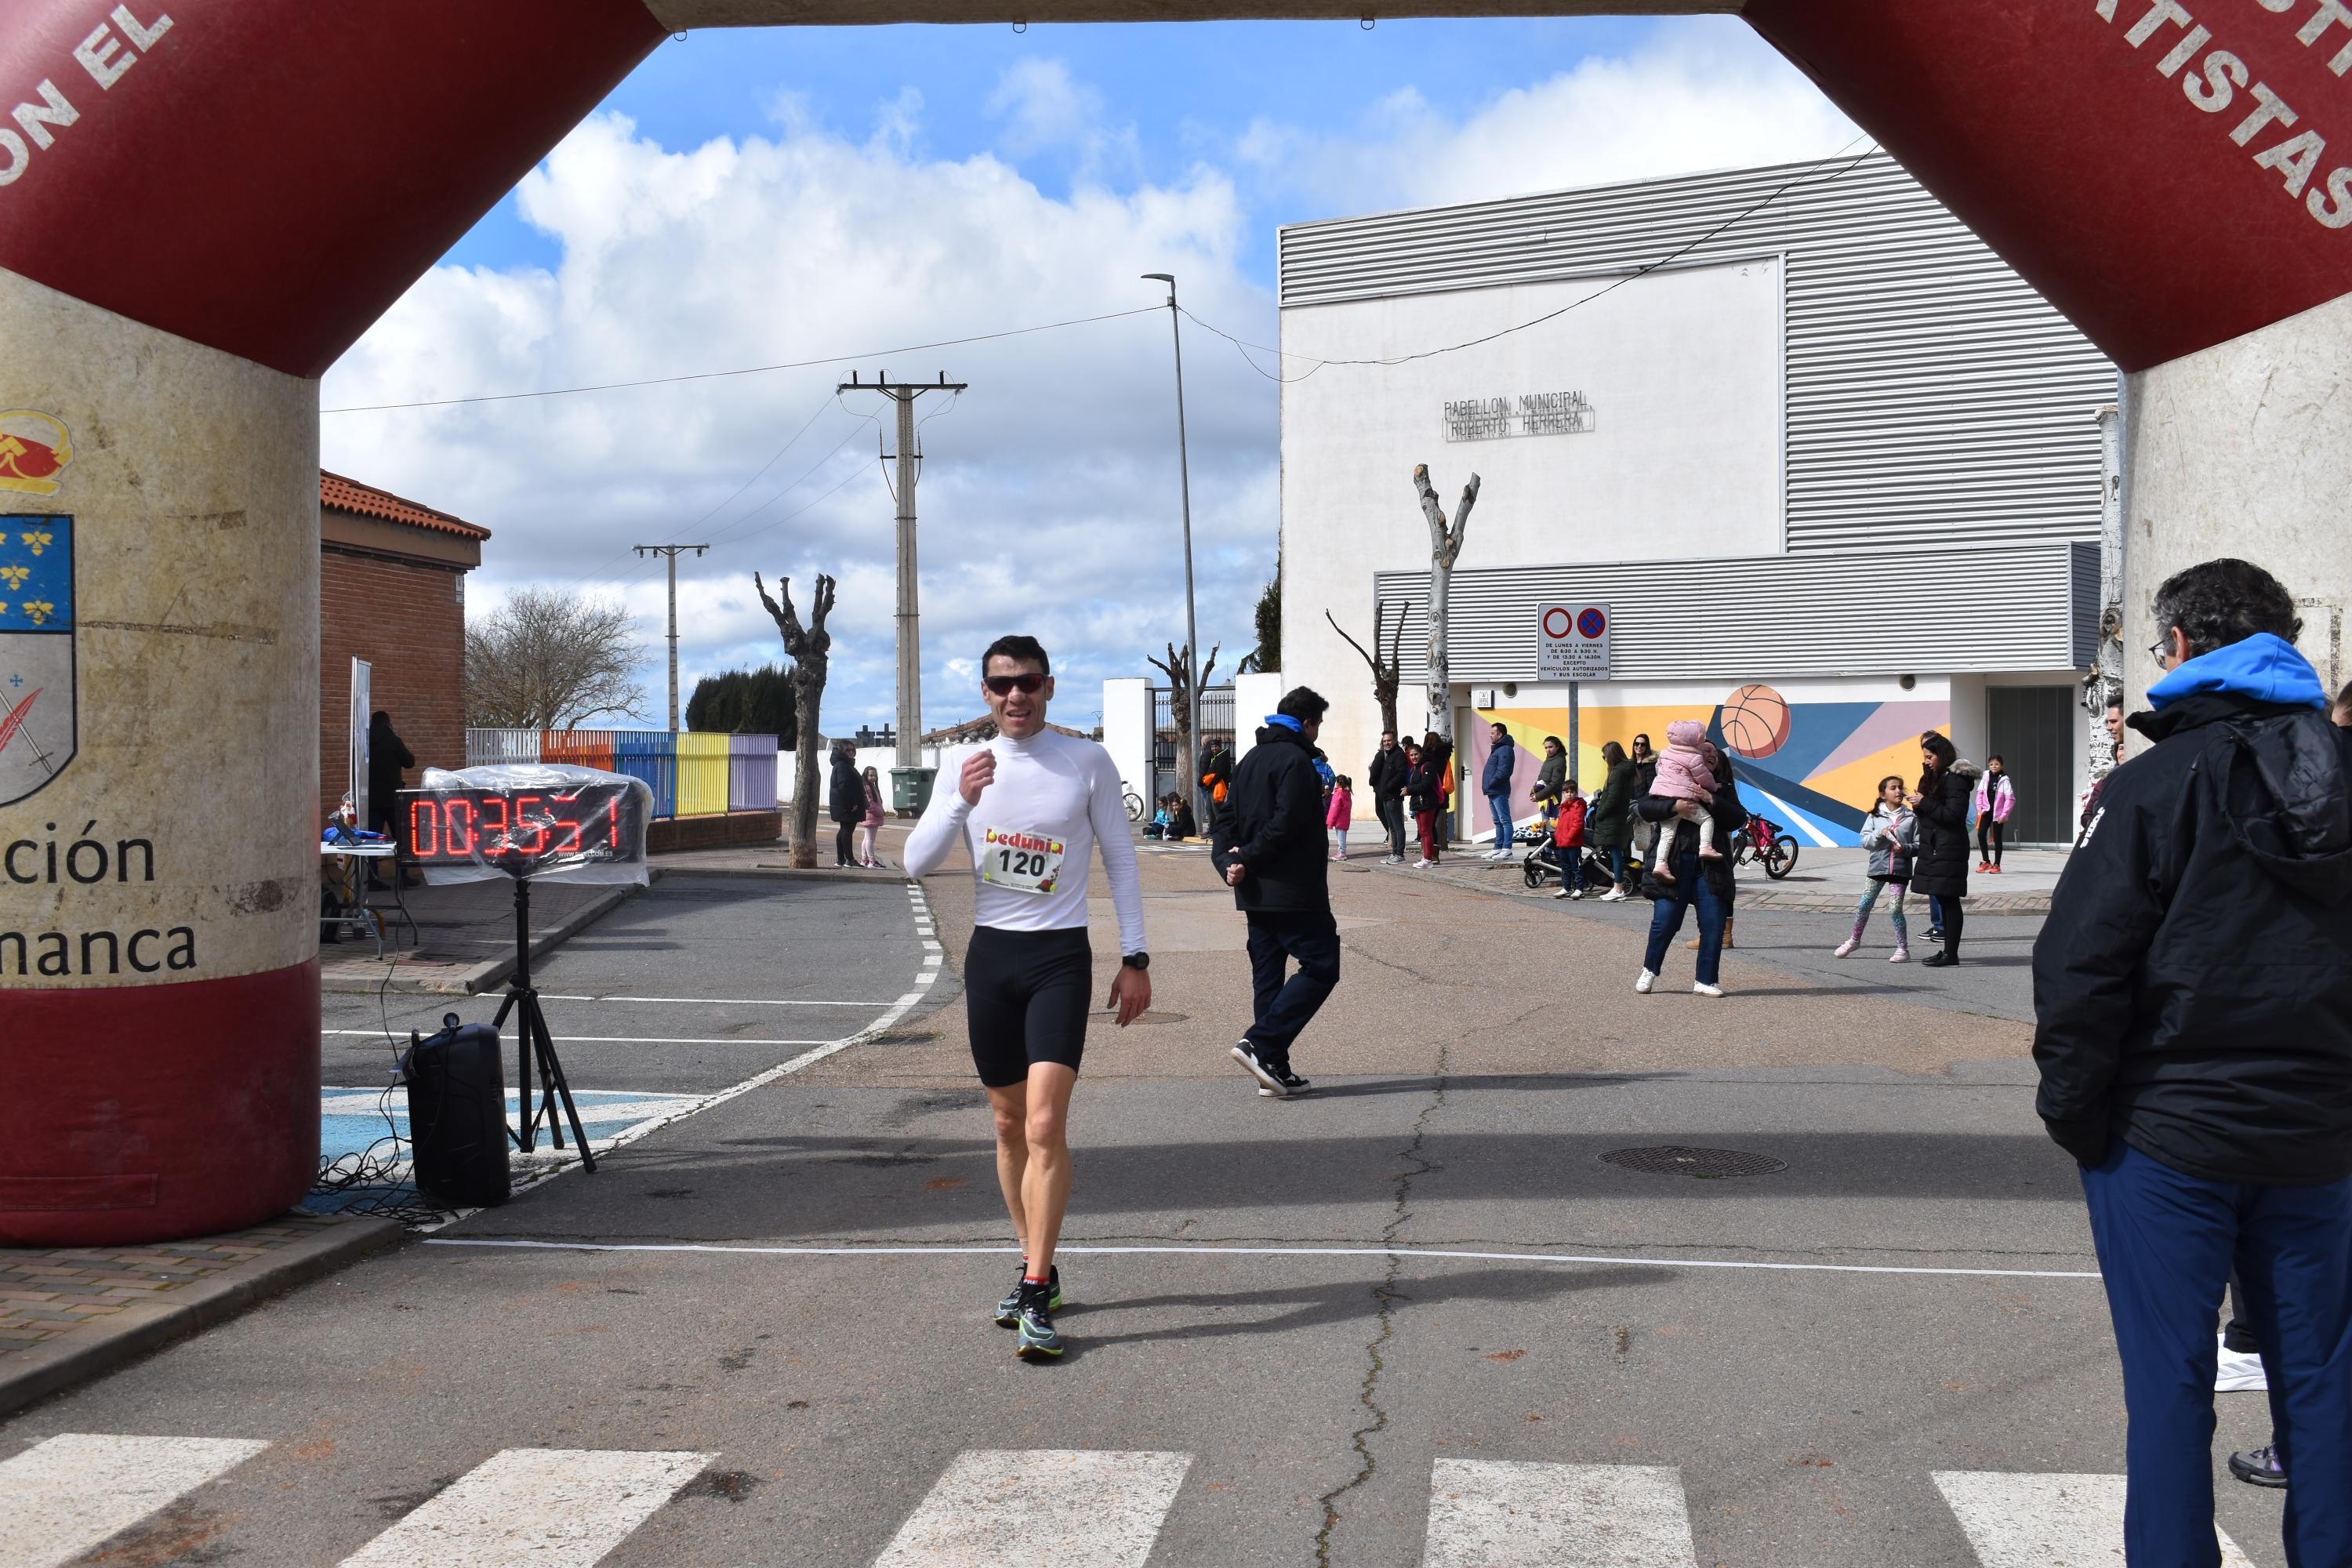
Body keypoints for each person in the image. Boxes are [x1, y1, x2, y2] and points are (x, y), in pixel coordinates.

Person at [2031, 557, 2352, 1564]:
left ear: (2178, 647)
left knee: (2169, 1386)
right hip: (2320, 1134)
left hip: (2168, 1133)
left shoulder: (2152, 784)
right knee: (2325, 1382)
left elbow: (2080, 967)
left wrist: (2082, 1117)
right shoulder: (2344, 777)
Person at [902, 635, 1150, 1360]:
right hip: (992, 959)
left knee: (1045, 1123)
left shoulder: (1086, 762)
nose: (1017, 696)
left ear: (1049, 688)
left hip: (1058, 959)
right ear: (985, 693)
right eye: (1002, 685)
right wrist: (960, 802)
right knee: (1008, 1125)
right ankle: (1031, 1258)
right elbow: (915, 863)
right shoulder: (964, 765)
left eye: (1030, 683)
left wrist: (1135, 957)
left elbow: (1122, 861)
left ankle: (1037, 1288)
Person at [1213, 687, 1339, 1099]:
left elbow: (1224, 819)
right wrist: (1246, 858)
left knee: (1268, 976)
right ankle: (1262, 1045)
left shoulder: (1250, 758)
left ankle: (1273, 1068)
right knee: (1322, 965)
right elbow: (1288, 823)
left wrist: (1230, 862)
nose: (1317, 734)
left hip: (1254, 890)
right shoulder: (1297, 761)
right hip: (1293, 889)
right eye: (1316, 725)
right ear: (1306, 724)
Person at [1634, 748, 1744, 996]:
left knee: (1713, 924)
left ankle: (1705, 980)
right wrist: (1675, 807)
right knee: (1665, 922)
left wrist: (1710, 798)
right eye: (1702, 751)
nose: (1709, 755)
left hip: (1710, 867)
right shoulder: (1670, 778)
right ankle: (1649, 970)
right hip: (1672, 865)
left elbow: (1738, 818)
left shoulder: (1721, 787)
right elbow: (1644, 807)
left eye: (1714, 753)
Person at [1908, 733, 1978, 967]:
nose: (1927, 761)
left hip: (1948, 847)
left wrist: (1925, 802)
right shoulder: (1937, 777)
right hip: (1936, 845)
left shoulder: (1955, 780)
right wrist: (1920, 802)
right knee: (1941, 895)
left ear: (1942, 754)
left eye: (1930, 757)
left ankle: (1951, 953)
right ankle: (1947, 950)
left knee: (1949, 899)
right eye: (1925, 757)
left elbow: (1953, 815)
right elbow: (1930, 811)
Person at [1837, 776, 1916, 961]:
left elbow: (1920, 844)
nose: (1898, 791)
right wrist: (1879, 835)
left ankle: (1903, 949)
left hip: (1900, 869)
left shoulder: (1912, 818)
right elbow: (1865, 841)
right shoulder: (1874, 816)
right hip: (1877, 869)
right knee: (1865, 904)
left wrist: (1906, 849)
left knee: (1895, 909)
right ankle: (1854, 940)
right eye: (1893, 788)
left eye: (1900, 788)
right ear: (1883, 794)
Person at [1647, 720, 1725, 884]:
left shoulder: (1665, 753)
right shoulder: (1693, 758)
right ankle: (1705, 847)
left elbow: (1659, 769)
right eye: (1707, 749)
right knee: (1706, 820)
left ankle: (1660, 864)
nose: (1712, 755)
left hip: (1662, 793)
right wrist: (1712, 788)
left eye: (1715, 753)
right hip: (1684, 797)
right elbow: (1703, 777)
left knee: (1667, 835)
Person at [365, 710, 417, 889]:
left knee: (372, 840)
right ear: (388, 723)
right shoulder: (393, 741)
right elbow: (409, 762)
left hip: (370, 799)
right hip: (392, 798)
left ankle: (371, 878)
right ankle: (403, 877)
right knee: (400, 838)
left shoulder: (364, 741)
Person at [1586, 740, 1635, 901]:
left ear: (1611, 756)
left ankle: (1618, 887)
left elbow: (1612, 798)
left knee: (1615, 853)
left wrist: (1600, 813)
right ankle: (1618, 886)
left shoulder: (1617, 773)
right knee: (1616, 853)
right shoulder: (1623, 771)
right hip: (1617, 817)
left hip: (1612, 818)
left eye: (1604, 756)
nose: (1604, 759)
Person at [2082, 694, 2128, 832]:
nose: (2108, 727)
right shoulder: (2108, 779)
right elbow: (2087, 815)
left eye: (2113, 722)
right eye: (2119, 749)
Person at [1408, 733, 1452, 869]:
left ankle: (1429, 856)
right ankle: (1432, 855)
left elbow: (1426, 783)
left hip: (1428, 797)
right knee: (1428, 828)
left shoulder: (1427, 762)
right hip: (1440, 793)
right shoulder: (1445, 757)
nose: (1414, 757)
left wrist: (1410, 789)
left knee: (1427, 829)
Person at [1367, 728, 1411, 863]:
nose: (1387, 743)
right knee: (1391, 827)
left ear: (1395, 741)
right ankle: (1394, 853)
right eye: (1385, 741)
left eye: (1389, 740)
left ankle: (1400, 854)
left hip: (1394, 795)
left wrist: (1389, 786)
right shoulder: (1385, 754)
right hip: (1385, 795)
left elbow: (1401, 774)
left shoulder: (1398, 755)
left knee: (1398, 826)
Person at [1481, 720, 1518, 859]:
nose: (1490, 736)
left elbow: (1504, 771)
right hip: (1493, 790)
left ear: (1500, 734)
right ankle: (1498, 847)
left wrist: (1491, 783)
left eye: (1492, 733)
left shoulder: (1505, 749)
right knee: (1497, 821)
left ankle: (1507, 848)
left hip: (1499, 790)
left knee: (1504, 820)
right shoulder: (1498, 748)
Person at [1973, 754, 2016, 873]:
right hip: (1986, 811)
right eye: (1991, 764)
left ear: (2001, 765)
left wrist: (2004, 814)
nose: (1994, 766)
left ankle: (1997, 865)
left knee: (1997, 838)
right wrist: (1979, 808)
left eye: (1996, 764)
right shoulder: (1986, 776)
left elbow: (2010, 799)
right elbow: (1980, 793)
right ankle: (1986, 862)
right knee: (1981, 834)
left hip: (1998, 814)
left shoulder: (2004, 779)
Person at [826, 739, 865, 869]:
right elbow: (843, 786)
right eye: (848, 750)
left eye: (853, 749)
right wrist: (852, 803)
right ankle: (849, 859)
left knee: (844, 830)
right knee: (847, 830)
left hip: (843, 804)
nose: (851, 752)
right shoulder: (843, 765)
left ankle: (841, 859)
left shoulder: (843, 764)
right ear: (842, 751)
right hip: (846, 805)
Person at [1547, 778, 1587, 899]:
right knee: (1565, 867)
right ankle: (1566, 887)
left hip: (1573, 843)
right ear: (1563, 793)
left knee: (1576, 866)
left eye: (1572, 792)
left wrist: (1568, 838)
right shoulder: (1563, 807)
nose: (1569, 794)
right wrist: (1559, 837)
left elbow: (1578, 824)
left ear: (1576, 793)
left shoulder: (1578, 806)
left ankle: (1579, 888)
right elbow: (1561, 825)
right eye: (1567, 792)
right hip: (1563, 843)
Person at [1628, 733, 1661, 870]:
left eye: (1643, 744)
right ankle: (1630, 871)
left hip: (1643, 808)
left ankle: (1647, 871)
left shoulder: (1650, 765)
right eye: (1637, 744)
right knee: (1625, 842)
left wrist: (1639, 804)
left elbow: (1651, 789)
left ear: (1647, 746)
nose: (1639, 747)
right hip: (1628, 807)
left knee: (1645, 843)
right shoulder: (1630, 765)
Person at [1532, 736, 1568, 828]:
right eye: (1546, 748)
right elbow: (1541, 779)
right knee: (1546, 827)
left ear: (1557, 746)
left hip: (1552, 801)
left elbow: (1555, 783)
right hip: (1544, 799)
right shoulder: (1548, 760)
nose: (1548, 750)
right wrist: (1534, 792)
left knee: (1551, 829)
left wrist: (1539, 796)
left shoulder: (1559, 761)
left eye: (1550, 747)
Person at [855, 764, 887, 868]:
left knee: (867, 839)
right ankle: (872, 861)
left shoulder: (871, 786)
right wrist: (880, 812)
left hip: (871, 817)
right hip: (872, 817)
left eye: (875, 776)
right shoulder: (867, 787)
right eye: (871, 775)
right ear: (866, 776)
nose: (873, 778)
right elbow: (870, 804)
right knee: (870, 840)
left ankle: (864, 860)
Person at [1326, 773, 1354, 861]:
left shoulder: (1338, 794)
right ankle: (1342, 852)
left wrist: (1330, 822)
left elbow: (1335, 809)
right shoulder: (1347, 793)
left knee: (1340, 838)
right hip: (1345, 819)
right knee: (1343, 837)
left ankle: (1342, 853)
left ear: (1338, 783)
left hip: (1339, 820)